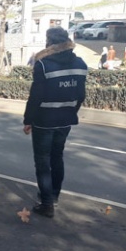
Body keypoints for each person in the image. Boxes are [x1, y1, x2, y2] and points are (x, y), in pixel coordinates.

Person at [23, 27, 87, 218]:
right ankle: (54, 196)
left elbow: (35, 97)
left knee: (42, 161)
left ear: (49, 42)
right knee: (57, 157)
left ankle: (46, 203)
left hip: (44, 120)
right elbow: (81, 95)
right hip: (65, 120)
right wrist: (70, 111)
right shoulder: (80, 64)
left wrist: (28, 120)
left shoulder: (43, 65)